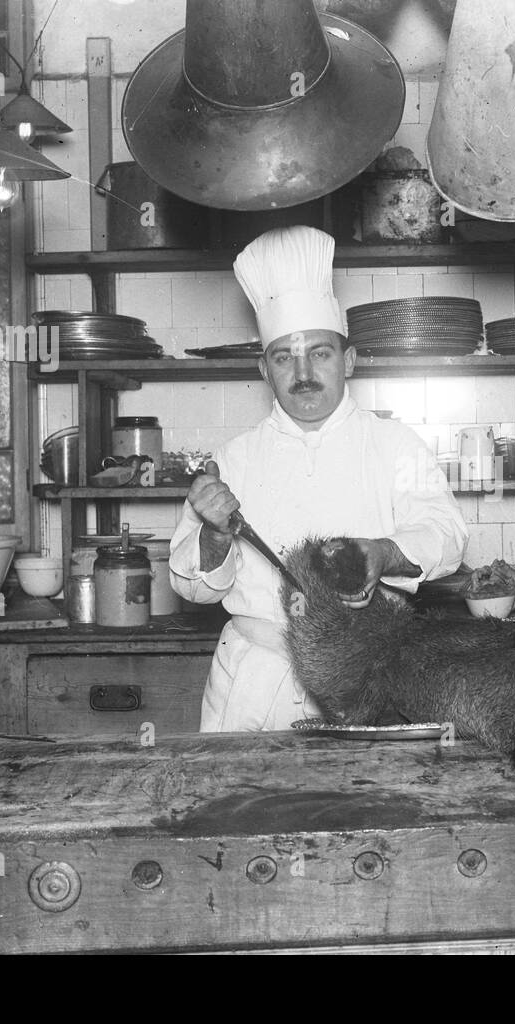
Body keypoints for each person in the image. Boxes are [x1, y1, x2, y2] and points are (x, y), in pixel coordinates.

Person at [169, 226, 468, 732]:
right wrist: (215, 537)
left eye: (320, 353)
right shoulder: (231, 460)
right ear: (264, 370)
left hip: (366, 677)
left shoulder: (396, 444)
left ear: (348, 360)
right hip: (254, 684)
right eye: (284, 356)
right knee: (240, 807)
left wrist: (382, 553)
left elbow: (449, 537)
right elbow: (188, 586)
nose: (302, 372)